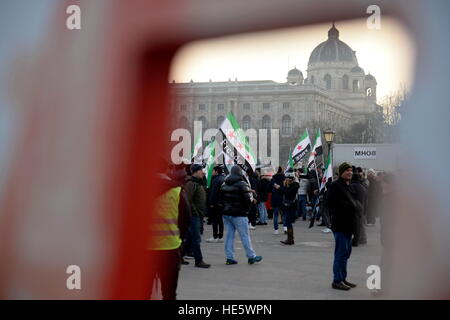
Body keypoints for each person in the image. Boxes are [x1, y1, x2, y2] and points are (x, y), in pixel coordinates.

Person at [148, 162, 190, 299]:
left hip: (145, 250)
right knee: (169, 293)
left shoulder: (139, 191)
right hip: (170, 248)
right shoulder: (177, 191)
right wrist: (180, 241)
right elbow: (185, 220)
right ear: (167, 169)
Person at [326, 162, 361, 290]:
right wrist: (348, 206)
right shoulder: (335, 185)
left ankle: (343, 278)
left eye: (351, 170)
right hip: (340, 224)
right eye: (347, 170)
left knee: (346, 254)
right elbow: (330, 202)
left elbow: (356, 202)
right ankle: (336, 281)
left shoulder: (349, 186)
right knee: (340, 254)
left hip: (349, 224)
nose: (350, 172)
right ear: (341, 172)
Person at [219, 166, 263, 265]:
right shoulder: (243, 184)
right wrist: (246, 211)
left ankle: (229, 258)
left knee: (229, 236)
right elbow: (248, 200)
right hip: (239, 214)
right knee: (244, 236)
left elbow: (220, 199)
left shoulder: (224, 184)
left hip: (227, 213)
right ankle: (251, 256)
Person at [184, 164, 211, 268]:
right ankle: (198, 260)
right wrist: (195, 212)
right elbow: (188, 200)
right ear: (195, 172)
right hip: (194, 215)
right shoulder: (191, 183)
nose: (202, 172)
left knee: (190, 237)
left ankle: (180, 257)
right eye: (200, 170)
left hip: (198, 214)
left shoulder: (198, 182)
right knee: (196, 238)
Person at [278, 170, 299, 245]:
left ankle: (290, 239)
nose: (286, 181)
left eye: (288, 179)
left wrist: (280, 188)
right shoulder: (291, 185)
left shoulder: (294, 186)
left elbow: (288, 193)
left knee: (288, 222)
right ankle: (290, 238)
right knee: (287, 222)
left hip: (291, 207)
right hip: (288, 206)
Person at [206, 165, 225, 243]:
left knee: (215, 220)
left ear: (216, 172)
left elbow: (213, 193)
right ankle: (220, 236)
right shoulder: (223, 179)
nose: (212, 172)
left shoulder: (216, 180)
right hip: (221, 203)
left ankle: (215, 236)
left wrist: (211, 203)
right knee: (220, 220)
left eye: (213, 171)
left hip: (215, 203)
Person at [350, 171, 368, 246]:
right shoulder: (363, 187)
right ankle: (363, 238)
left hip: (354, 207)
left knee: (355, 224)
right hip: (362, 206)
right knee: (361, 223)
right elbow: (366, 199)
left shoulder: (352, 186)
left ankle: (357, 239)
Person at [270, 167, 286, 234]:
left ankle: (276, 230)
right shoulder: (284, 179)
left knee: (276, 215)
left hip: (275, 198)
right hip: (283, 198)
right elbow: (285, 189)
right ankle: (285, 228)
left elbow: (269, 188)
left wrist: (275, 187)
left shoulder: (273, 179)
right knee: (284, 214)